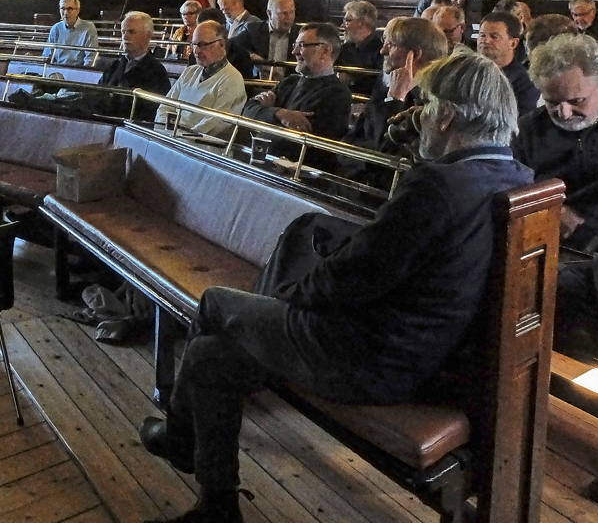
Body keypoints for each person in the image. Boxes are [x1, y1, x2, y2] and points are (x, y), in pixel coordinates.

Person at [140, 50, 532, 523]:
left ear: (446, 116)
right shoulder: (514, 178)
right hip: (428, 352)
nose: (420, 116)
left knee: (216, 303)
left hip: (371, 358)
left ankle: (181, 440)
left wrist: (290, 297)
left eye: (426, 106)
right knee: (211, 355)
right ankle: (217, 505)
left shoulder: (439, 187)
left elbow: (350, 279)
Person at [515, 34, 598, 256]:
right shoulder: (527, 130)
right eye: (552, 102)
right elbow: (511, 189)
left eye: (576, 101)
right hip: (553, 248)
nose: (564, 113)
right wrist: (547, 210)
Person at [345, 16, 448, 152]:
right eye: (384, 42)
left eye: (391, 44)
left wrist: (395, 99)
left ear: (415, 54)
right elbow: (351, 139)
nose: (382, 51)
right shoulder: (386, 86)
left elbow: (386, 150)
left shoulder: (434, 101)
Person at [242, 23, 352, 142]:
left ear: (325, 51)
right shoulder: (290, 82)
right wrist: (279, 113)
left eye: (302, 45)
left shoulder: (337, 94)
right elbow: (248, 111)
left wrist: (266, 113)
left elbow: (302, 138)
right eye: (295, 45)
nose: (294, 52)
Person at [157, 20, 248, 137]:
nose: (196, 51)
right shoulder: (190, 71)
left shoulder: (232, 79)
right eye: (194, 44)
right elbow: (166, 106)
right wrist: (162, 130)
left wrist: (181, 137)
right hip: (171, 137)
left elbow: (214, 125)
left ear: (221, 44)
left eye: (203, 45)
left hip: (198, 144)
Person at [97, 11, 171, 121]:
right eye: (123, 32)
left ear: (147, 35)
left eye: (131, 32)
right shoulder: (115, 65)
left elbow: (152, 112)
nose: (125, 36)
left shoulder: (156, 71)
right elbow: (97, 94)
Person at [477, 11, 539, 112]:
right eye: (482, 35)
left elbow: (523, 117)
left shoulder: (525, 82)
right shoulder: (469, 71)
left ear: (513, 43)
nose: (485, 41)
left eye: (494, 37)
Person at [229, 0, 296, 79]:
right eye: (284, 13)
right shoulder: (254, 30)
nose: (289, 17)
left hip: (290, 85)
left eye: (292, 12)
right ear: (269, 14)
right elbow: (231, 45)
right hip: (259, 84)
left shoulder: (300, 35)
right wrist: (252, 56)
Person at [336, 0, 383, 94]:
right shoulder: (345, 48)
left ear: (361, 22)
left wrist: (352, 81)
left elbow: (381, 83)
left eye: (347, 20)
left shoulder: (381, 50)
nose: (342, 25)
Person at [43, 0, 99, 66]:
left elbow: (90, 58)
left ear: (77, 11)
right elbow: (47, 55)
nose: (66, 12)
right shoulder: (55, 28)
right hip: (58, 69)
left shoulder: (88, 28)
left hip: (79, 70)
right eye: (63, 8)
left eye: (69, 9)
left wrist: (83, 72)